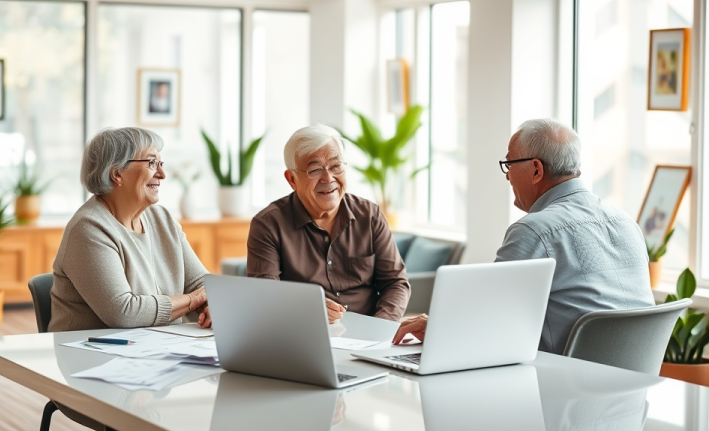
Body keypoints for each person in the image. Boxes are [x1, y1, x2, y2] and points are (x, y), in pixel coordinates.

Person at [393, 119, 655, 354]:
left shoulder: (535, 230)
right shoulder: (627, 222)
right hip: (631, 389)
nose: (507, 176)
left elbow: (487, 319)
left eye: (509, 164)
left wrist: (438, 325)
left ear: (536, 170)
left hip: (561, 386)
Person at [49, 127, 211, 332]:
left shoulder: (163, 219)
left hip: (156, 348)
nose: (162, 174)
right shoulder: (88, 228)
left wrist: (211, 303)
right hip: (91, 355)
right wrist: (194, 299)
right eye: (152, 163)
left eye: (160, 164)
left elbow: (202, 284)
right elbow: (123, 312)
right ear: (117, 173)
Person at [247, 124, 410, 323]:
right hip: (304, 333)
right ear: (292, 179)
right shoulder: (268, 225)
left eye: (335, 166)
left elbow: (395, 283)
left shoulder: (370, 215)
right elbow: (264, 295)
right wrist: (306, 307)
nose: (328, 178)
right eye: (315, 169)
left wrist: (380, 327)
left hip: (370, 334)